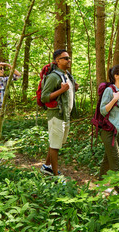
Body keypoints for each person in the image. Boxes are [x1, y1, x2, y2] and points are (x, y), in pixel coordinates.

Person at [40, 49, 79, 177]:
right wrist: (62, 90)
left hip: (65, 115)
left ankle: (47, 166)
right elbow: (44, 97)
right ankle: (55, 175)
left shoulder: (67, 75)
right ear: (57, 61)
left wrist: (73, 88)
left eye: (69, 58)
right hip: (56, 115)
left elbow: (66, 95)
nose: (69, 60)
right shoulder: (53, 77)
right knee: (55, 145)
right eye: (66, 58)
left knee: (56, 142)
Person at [98, 65, 119, 191]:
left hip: (118, 131)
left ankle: (100, 184)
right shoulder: (110, 91)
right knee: (116, 162)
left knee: (107, 158)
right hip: (108, 131)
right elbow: (102, 110)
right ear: (116, 76)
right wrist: (113, 100)